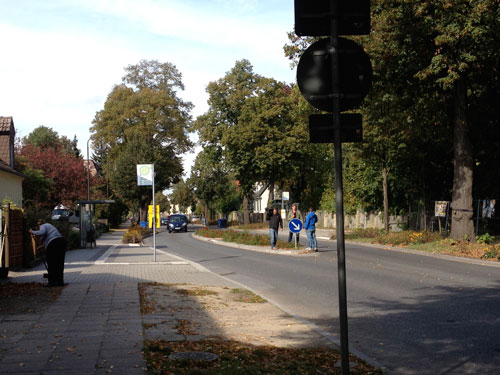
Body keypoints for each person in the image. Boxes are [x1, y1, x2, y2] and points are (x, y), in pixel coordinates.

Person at [29, 219, 67, 287]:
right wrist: (41, 247)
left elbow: (41, 232)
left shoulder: (43, 226)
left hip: (54, 244)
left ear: (39, 225)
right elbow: (47, 240)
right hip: (61, 242)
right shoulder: (50, 227)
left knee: (51, 263)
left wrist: (32, 232)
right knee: (59, 263)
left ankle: (52, 282)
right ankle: (60, 281)